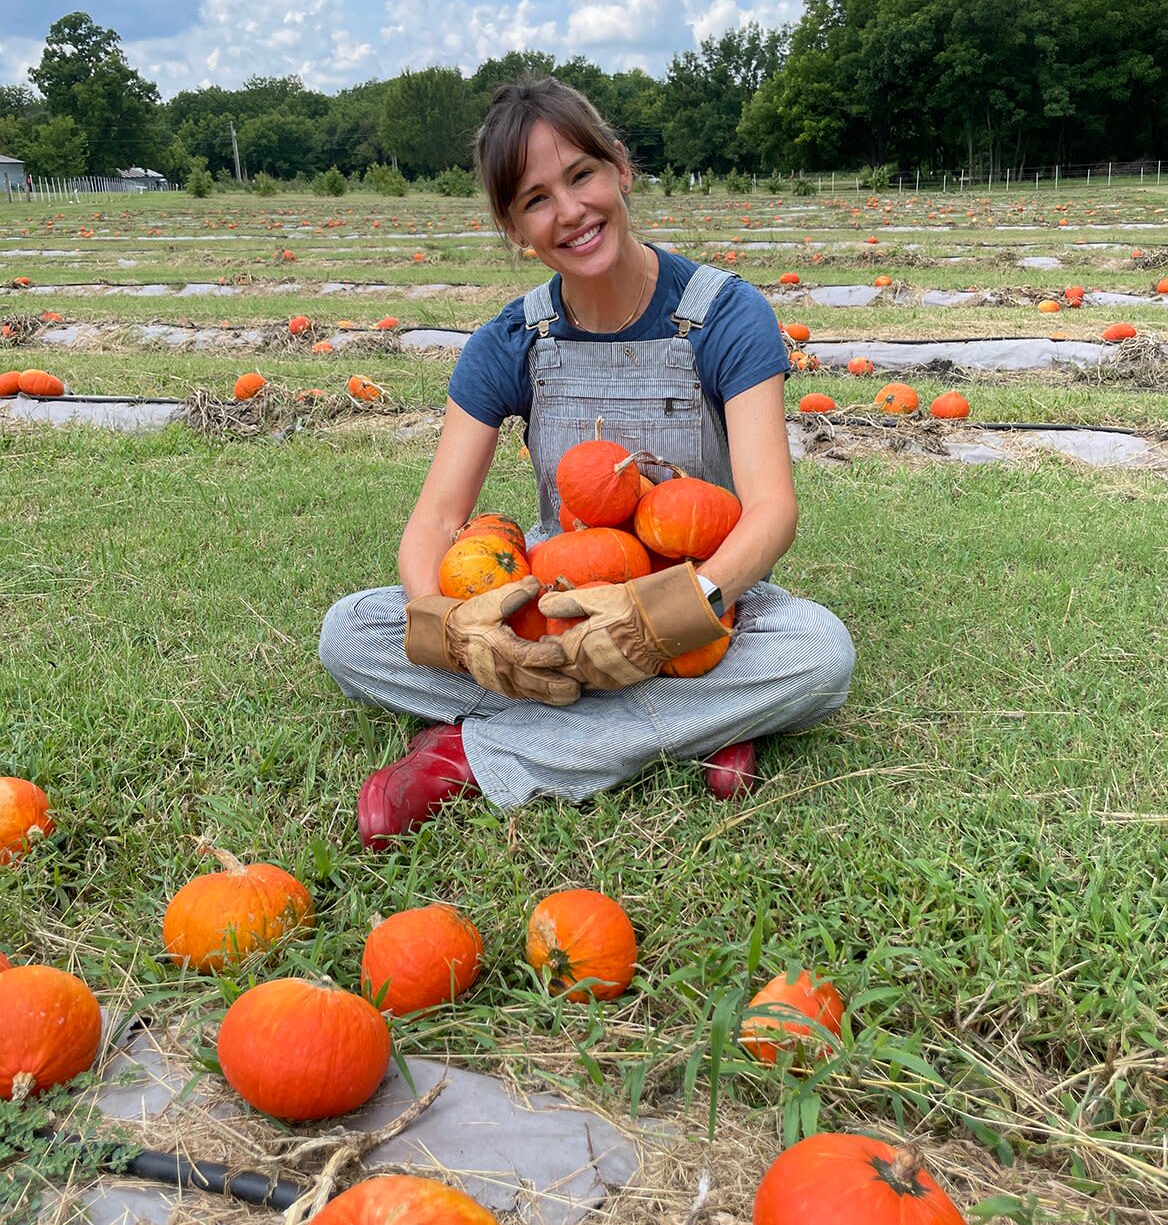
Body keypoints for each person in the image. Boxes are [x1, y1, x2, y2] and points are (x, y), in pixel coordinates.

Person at [319, 77, 855, 849]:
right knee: (349, 632)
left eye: (580, 176)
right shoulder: (508, 339)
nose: (569, 211)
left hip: (705, 597)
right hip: (557, 596)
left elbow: (771, 510)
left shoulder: (725, 314)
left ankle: (472, 756)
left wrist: (672, 617)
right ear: (512, 227)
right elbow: (436, 520)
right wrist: (456, 627)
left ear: (620, 170)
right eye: (536, 199)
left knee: (818, 654)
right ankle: (701, 723)